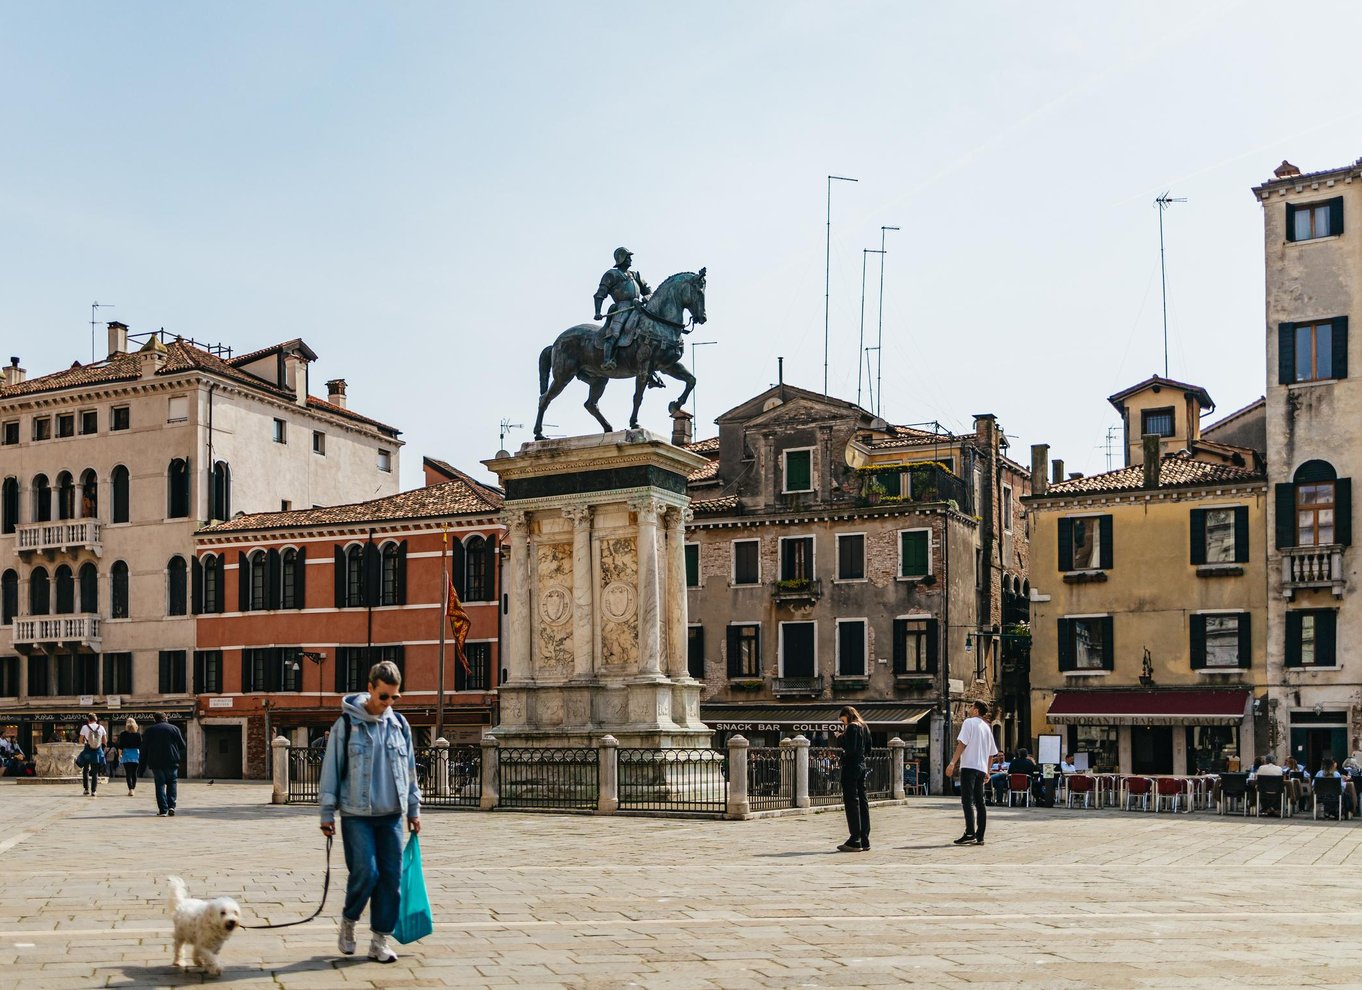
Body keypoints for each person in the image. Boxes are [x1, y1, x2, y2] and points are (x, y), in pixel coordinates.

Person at [319, 660, 421, 965]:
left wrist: (413, 809)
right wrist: (326, 812)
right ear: (370, 689)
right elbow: (331, 769)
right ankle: (349, 921)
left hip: (391, 815)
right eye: (384, 696)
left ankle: (379, 941)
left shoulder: (400, 725)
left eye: (394, 697)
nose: (389, 703)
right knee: (367, 871)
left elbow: (411, 771)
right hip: (356, 814)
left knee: (391, 880)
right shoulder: (347, 724)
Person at [944, 700, 998, 846]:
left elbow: (962, 743)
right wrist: (988, 771)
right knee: (980, 802)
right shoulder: (987, 727)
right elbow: (992, 754)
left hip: (969, 766)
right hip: (981, 769)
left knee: (967, 801)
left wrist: (952, 762)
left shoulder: (969, 722)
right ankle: (980, 836)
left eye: (971, 706)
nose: (969, 708)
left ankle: (969, 833)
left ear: (976, 710)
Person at [593, 247, 651, 370]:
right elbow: (600, 294)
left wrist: (647, 297)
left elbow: (648, 290)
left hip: (638, 307)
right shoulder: (611, 274)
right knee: (614, 332)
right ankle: (607, 359)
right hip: (622, 307)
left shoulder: (635, 275)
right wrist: (597, 312)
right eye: (627, 257)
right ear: (621, 258)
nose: (630, 259)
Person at [834, 706, 872, 852]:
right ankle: (865, 839)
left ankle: (854, 839)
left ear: (847, 716)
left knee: (851, 801)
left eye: (843, 720)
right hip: (862, 765)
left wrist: (840, 737)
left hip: (851, 766)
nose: (843, 724)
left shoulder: (851, 727)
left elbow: (849, 749)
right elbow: (869, 748)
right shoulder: (865, 727)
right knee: (863, 800)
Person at [143, 712, 186, 817]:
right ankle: (172, 806)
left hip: (156, 762)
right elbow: (182, 745)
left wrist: (143, 764)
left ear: (154, 719)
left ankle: (163, 810)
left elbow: (144, 748)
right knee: (172, 783)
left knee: (160, 785)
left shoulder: (149, 731)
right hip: (172, 760)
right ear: (166, 718)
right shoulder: (174, 729)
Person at [77, 713, 107, 797]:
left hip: (87, 750)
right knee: (95, 771)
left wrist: (86, 742)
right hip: (97, 750)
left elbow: (80, 740)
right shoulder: (101, 727)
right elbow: (105, 741)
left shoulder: (84, 727)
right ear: (96, 720)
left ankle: (86, 789)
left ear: (88, 720)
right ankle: (94, 791)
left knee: (85, 770)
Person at [116, 718, 142, 796]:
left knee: (128, 773)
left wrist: (119, 755)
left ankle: (130, 789)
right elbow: (141, 746)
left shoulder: (123, 734)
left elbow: (120, 746)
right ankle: (133, 788)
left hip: (126, 754)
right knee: (134, 772)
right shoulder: (138, 734)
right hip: (136, 754)